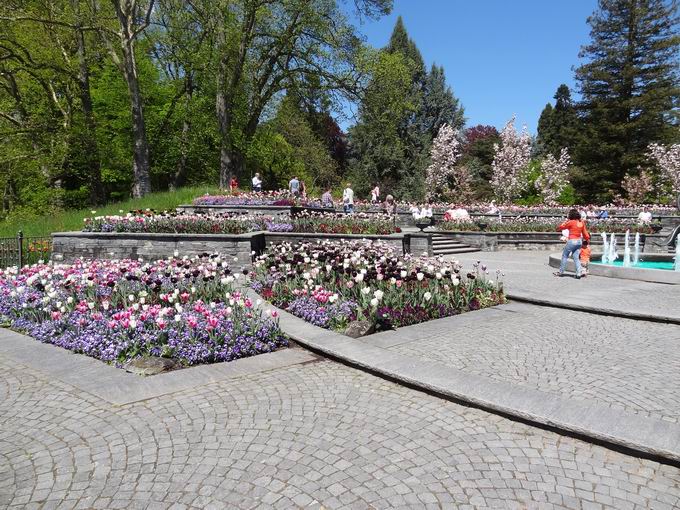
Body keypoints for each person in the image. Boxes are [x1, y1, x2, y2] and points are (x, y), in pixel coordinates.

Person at [554, 208, 590, 279]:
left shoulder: (571, 222)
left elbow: (560, 228)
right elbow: (585, 234)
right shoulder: (581, 222)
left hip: (572, 241)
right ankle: (579, 273)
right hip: (579, 241)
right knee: (576, 258)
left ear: (571, 215)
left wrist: (565, 222)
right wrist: (587, 240)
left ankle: (561, 272)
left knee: (565, 256)